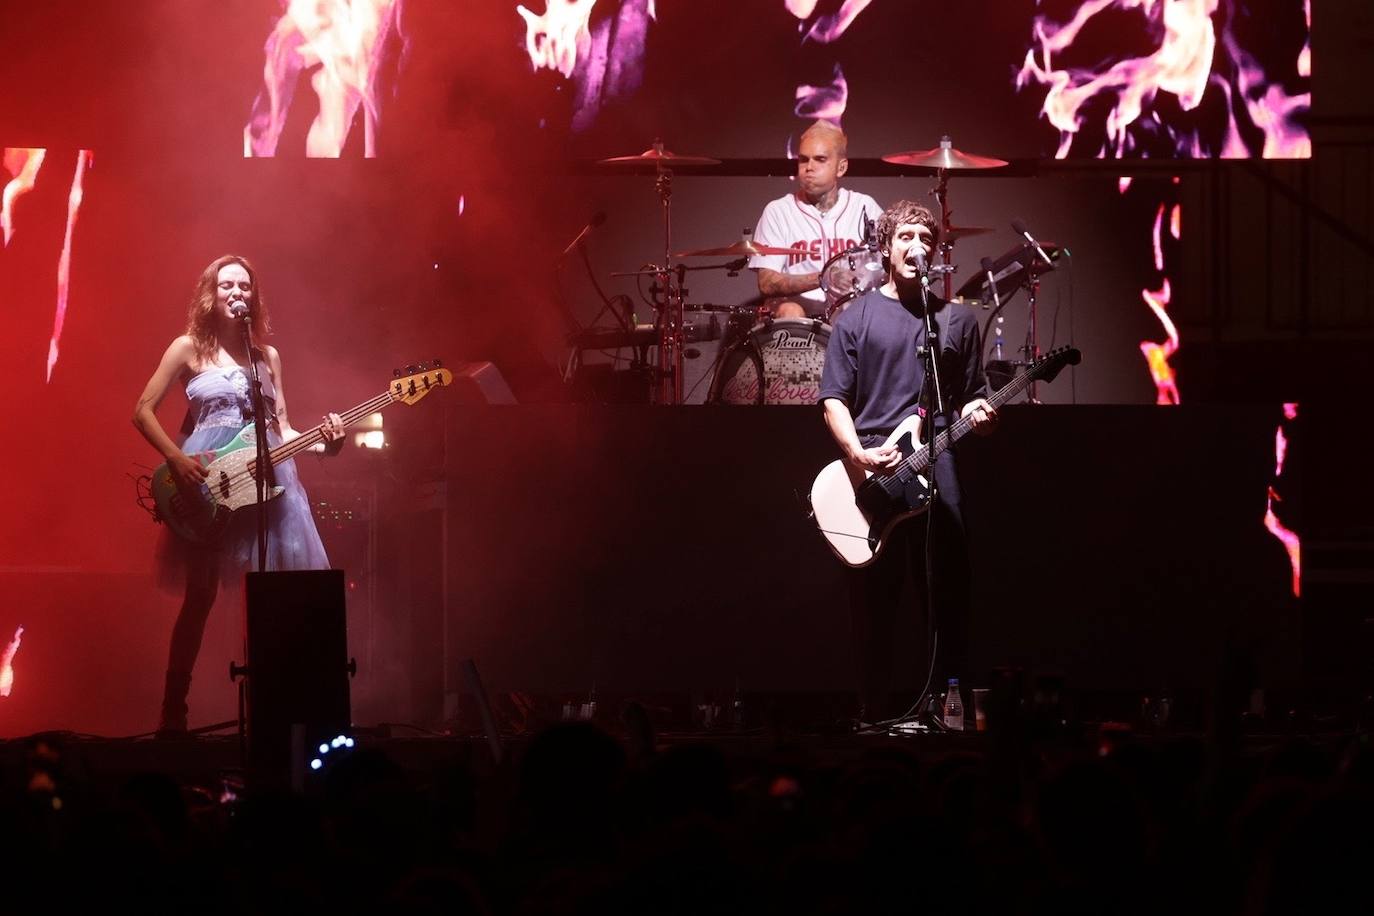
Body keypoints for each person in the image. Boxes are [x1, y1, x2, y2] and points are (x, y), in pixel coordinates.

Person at [133, 254, 344, 737]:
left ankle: (282, 709)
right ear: (210, 294)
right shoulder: (188, 348)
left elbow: (284, 427)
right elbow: (142, 409)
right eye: (227, 285)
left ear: (254, 297)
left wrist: (327, 440)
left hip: (270, 482)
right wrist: (174, 457)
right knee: (201, 594)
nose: (236, 293)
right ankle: (174, 708)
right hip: (209, 478)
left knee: (278, 593)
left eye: (244, 287)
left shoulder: (266, 356)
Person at [817, 201, 999, 725]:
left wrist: (980, 416)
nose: (916, 245)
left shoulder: (956, 321)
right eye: (906, 236)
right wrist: (857, 453)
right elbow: (833, 399)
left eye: (925, 237)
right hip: (876, 464)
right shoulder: (856, 318)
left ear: (934, 251)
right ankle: (873, 710)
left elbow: (967, 397)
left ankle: (942, 707)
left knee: (945, 587)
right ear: (887, 245)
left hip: (937, 460)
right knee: (875, 597)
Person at [747, 121, 882, 319]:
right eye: (803, 160)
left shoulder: (864, 207)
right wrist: (824, 278)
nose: (809, 167)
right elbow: (766, 282)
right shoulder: (778, 211)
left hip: (852, 315)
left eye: (820, 159)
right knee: (790, 310)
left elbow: (888, 265)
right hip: (799, 320)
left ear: (841, 167)